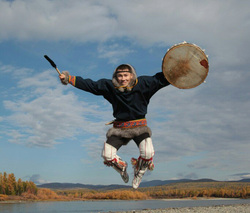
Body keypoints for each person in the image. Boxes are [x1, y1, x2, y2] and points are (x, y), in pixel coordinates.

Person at [59, 64, 170, 189]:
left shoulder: (144, 83)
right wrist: (68, 78)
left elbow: (163, 78)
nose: (123, 79)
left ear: (132, 75)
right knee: (107, 155)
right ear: (115, 77)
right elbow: (91, 85)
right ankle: (122, 167)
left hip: (139, 127)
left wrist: (190, 68)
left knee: (148, 153)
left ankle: (139, 169)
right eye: (120, 76)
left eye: (126, 75)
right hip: (120, 128)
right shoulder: (110, 86)